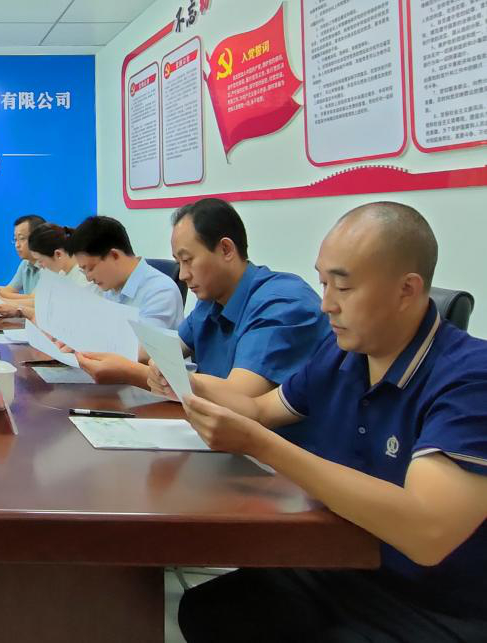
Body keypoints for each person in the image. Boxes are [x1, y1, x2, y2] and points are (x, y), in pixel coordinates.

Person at [161, 202, 487, 642]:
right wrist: (187, 382)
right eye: (323, 283)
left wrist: (260, 444)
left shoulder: (469, 377)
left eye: (343, 287)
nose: (327, 305)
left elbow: (426, 530)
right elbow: (260, 410)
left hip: (431, 603)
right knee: (208, 611)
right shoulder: (341, 354)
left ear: (406, 290)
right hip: (340, 563)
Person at [72, 198, 328, 401]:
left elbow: (241, 397)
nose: (183, 275)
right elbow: (163, 351)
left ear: (226, 249)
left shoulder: (282, 303)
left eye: (188, 260)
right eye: (178, 262)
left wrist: (130, 371)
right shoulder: (210, 301)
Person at [64, 215, 184, 329]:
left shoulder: (160, 292)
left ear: (114, 255)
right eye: (83, 270)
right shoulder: (107, 289)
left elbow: (143, 343)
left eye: (91, 268)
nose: (89, 278)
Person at [0, 214, 45, 304]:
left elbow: (34, 300)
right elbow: (10, 290)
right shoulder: (25, 263)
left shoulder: (49, 265)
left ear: (37, 238)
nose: (17, 245)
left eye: (21, 238)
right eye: (15, 239)